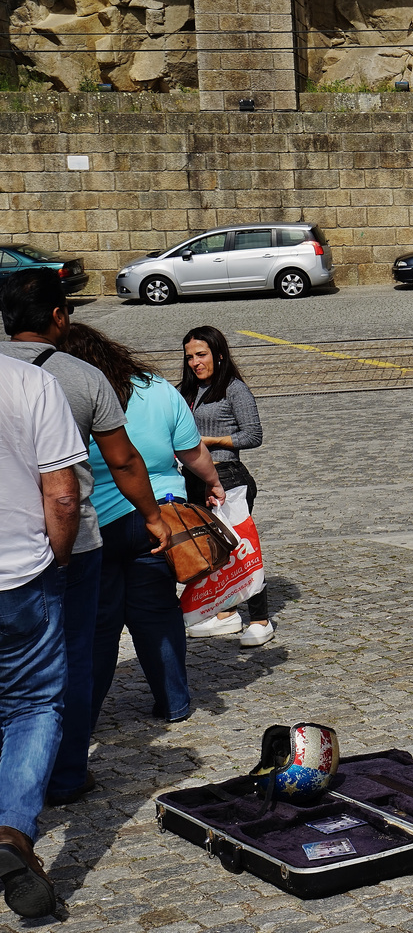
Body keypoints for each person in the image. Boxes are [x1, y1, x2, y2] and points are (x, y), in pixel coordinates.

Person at [0, 270, 168, 807]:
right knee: (73, 657)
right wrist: (154, 517)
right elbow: (122, 460)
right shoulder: (82, 376)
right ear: (58, 316)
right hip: (73, 545)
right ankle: (67, 774)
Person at [59, 323, 224, 726]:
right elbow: (191, 450)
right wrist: (214, 481)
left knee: (100, 624)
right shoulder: (157, 387)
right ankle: (174, 702)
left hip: (97, 524)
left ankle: (84, 718)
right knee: (158, 614)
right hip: (160, 517)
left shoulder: (69, 392)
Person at [0, 351, 86, 919]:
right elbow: (61, 494)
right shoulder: (30, 382)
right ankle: (10, 834)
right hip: (19, 574)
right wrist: (57, 560)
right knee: (32, 706)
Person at [177, 327, 272, 646]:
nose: (194, 362)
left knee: (241, 548)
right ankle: (225, 614)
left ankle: (260, 619)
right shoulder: (187, 392)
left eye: (201, 355)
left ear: (218, 355)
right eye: (189, 356)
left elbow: (253, 435)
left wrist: (209, 441)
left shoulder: (234, 389)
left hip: (227, 475)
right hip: (193, 479)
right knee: (210, 550)